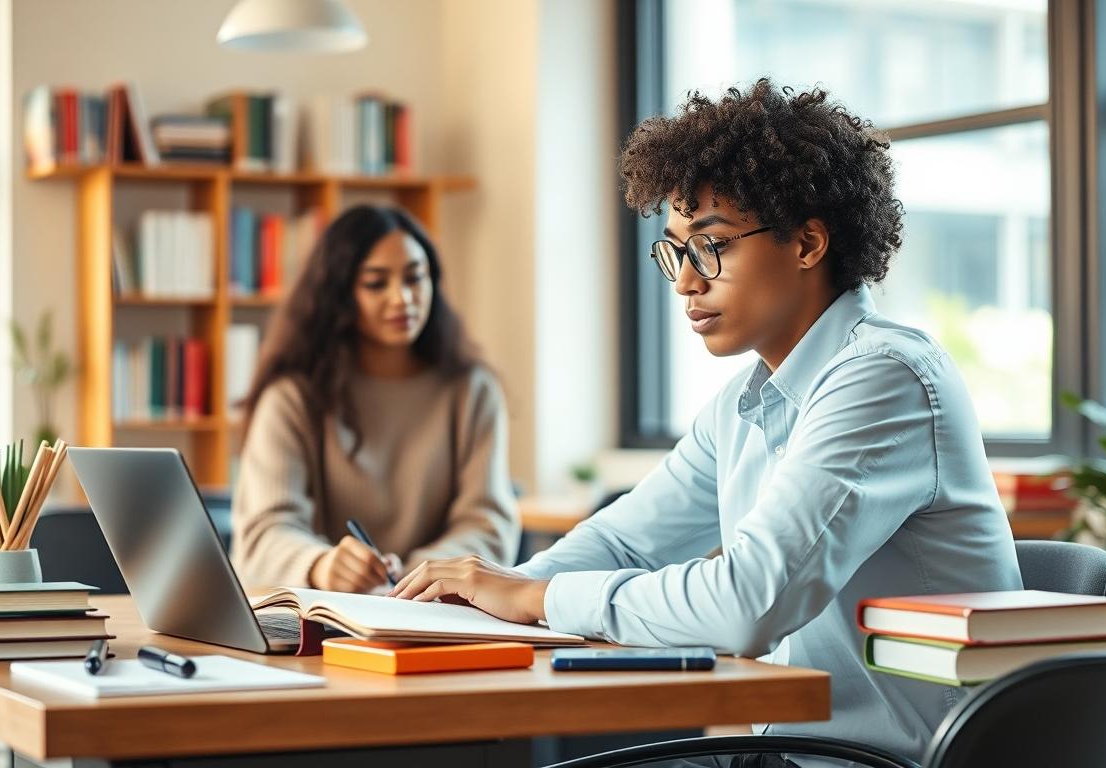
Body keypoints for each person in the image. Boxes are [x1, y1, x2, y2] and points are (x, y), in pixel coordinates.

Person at [389, 80, 1022, 764]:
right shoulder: (744, 404)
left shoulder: (884, 377)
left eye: (711, 246)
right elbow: (626, 544)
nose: (687, 282)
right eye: (675, 253)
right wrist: (474, 604)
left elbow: (750, 603)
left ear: (807, 243)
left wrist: (535, 596)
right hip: (790, 751)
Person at [232, 204, 520, 594]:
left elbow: (488, 522)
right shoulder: (292, 397)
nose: (402, 298)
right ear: (340, 296)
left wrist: (423, 573)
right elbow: (263, 531)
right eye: (376, 283)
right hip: (317, 617)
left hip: (435, 611)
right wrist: (319, 565)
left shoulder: (472, 391)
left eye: (415, 278)